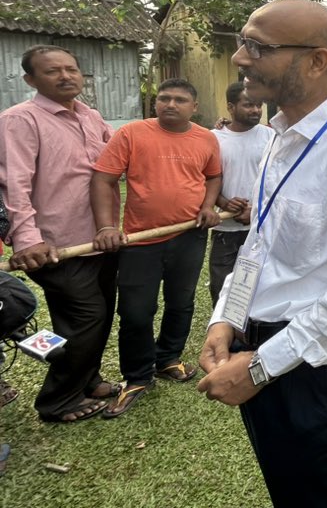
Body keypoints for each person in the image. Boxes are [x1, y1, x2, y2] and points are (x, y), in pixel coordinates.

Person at [198, 0, 327, 507]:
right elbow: (260, 243)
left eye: (258, 47)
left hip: (314, 366)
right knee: (289, 492)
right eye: (244, 43)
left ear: (316, 61)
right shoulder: (279, 135)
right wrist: (224, 319)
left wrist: (260, 368)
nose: (241, 58)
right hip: (258, 346)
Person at [0, 45, 120, 422]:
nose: (66, 76)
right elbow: (14, 184)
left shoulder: (91, 115)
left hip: (99, 237)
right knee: (88, 318)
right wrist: (28, 238)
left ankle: (88, 379)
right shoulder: (20, 119)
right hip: (55, 244)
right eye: (53, 71)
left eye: (71, 69)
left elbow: (111, 167)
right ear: (31, 80)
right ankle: (57, 400)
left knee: (94, 317)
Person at [92, 78, 222, 418]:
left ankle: (168, 358)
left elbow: (213, 176)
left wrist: (208, 206)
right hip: (139, 241)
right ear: (155, 103)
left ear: (194, 107)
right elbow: (104, 179)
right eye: (164, 98)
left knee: (181, 303)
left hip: (189, 236)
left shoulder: (206, 138)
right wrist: (107, 226)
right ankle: (136, 376)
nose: (170, 104)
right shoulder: (131, 134)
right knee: (136, 311)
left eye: (180, 99)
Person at [209, 82, 273, 305]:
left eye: (259, 105)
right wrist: (224, 203)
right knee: (222, 291)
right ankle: (223, 338)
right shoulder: (213, 138)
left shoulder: (271, 136)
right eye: (248, 105)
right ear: (230, 107)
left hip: (262, 228)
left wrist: (256, 211)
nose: (256, 110)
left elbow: (278, 181)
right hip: (225, 229)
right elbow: (205, 180)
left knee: (260, 291)